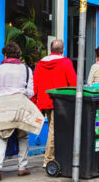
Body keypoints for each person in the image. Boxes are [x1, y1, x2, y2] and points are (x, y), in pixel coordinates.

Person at [0, 42, 38, 180]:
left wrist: (2, 92)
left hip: (3, 106)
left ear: (5, 54)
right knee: (23, 136)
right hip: (21, 104)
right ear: (18, 55)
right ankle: (22, 168)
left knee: (3, 137)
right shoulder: (27, 70)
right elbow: (31, 92)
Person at [32, 39, 76, 170]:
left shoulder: (40, 64)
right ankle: (48, 159)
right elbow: (73, 83)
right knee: (54, 130)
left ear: (50, 50)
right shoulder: (66, 63)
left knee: (53, 128)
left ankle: (53, 156)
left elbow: (36, 83)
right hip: (60, 101)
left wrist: (35, 100)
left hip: (44, 100)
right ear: (62, 50)